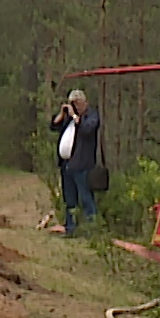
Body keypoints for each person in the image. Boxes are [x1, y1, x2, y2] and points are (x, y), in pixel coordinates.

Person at [51, 89, 102, 234]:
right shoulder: (68, 119)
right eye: (73, 104)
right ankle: (70, 228)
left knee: (86, 198)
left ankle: (91, 229)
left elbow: (87, 130)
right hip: (67, 164)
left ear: (84, 102)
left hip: (82, 165)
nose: (76, 107)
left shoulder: (91, 116)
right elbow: (53, 125)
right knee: (69, 199)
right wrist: (63, 113)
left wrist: (75, 117)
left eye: (77, 103)